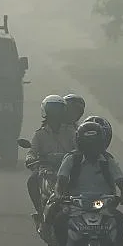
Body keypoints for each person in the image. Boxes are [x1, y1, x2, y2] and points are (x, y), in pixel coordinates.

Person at [51, 120, 123, 246]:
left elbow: (121, 181)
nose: (92, 149)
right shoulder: (71, 159)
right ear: (80, 143)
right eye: (88, 144)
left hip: (103, 208)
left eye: (95, 144)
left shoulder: (107, 161)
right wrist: (59, 196)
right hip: (75, 206)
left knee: (121, 222)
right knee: (59, 221)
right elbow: (60, 182)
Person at [25, 95, 75, 228]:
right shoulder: (40, 134)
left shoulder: (71, 132)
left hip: (69, 169)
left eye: (58, 110)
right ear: (46, 112)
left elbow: (78, 149)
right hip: (46, 169)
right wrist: (31, 160)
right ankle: (40, 212)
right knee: (32, 181)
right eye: (52, 110)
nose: (55, 114)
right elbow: (31, 152)